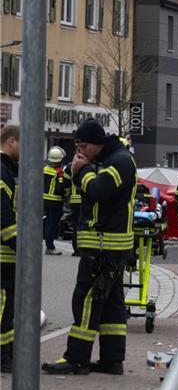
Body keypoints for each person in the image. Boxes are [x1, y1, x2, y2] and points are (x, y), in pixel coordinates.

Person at [41, 119, 136, 376]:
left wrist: (82, 171)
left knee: (86, 299)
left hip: (105, 245)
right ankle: (112, 360)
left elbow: (98, 190)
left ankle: (77, 358)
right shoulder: (105, 159)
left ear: (96, 143)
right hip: (107, 244)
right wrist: (80, 171)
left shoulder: (120, 161)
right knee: (111, 303)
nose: (80, 152)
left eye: (83, 146)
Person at [1, 125, 20, 373]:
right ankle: (3, 358)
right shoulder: (3, 172)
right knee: (3, 309)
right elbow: (3, 216)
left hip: (7, 254)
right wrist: (21, 245)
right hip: (4, 254)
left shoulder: (8, 170)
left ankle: (8, 354)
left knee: (7, 309)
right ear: (12, 142)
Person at [42, 145, 67, 255]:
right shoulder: (59, 172)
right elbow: (60, 189)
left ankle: (49, 245)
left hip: (45, 200)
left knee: (47, 223)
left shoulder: (45, 169)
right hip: (55, 202)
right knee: (52, 224)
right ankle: (50, 247)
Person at [62, 158, 84, 254]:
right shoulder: (90, 165)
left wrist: (67, 195)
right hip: (86, 200)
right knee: (84, 226)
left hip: (74, 201)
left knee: (76, 226)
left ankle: (76, 250)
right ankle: (83, 249)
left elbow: (65, 184)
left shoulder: (70, 166)